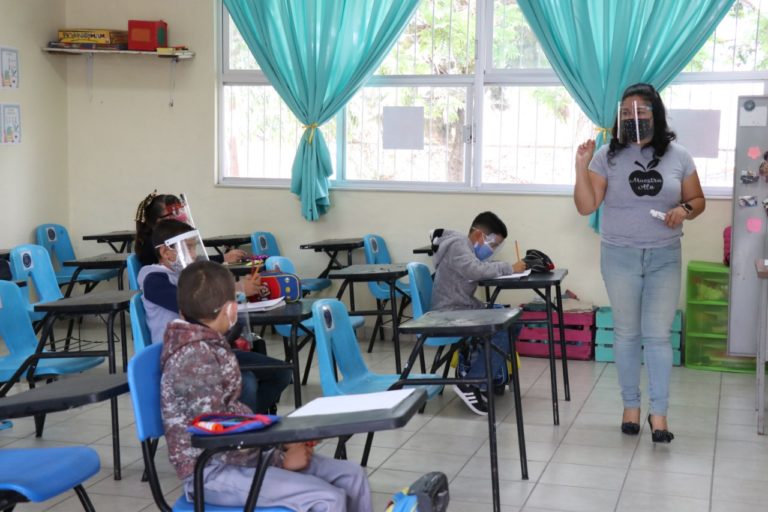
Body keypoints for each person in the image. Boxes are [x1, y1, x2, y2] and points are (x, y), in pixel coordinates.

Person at [162, 260, 372, 510]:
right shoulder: (194, 359)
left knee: (352, 476)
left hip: (241, 455)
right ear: (230, 310)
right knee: (328, 498)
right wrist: (280, 459)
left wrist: (283, 442)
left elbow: (233, 418)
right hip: (211, 472)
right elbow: (215, 439)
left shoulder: (209, 344)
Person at [573, 82, 705, 443]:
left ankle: (658, 414)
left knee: (658, 336)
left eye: (641, 112)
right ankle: (630, 406)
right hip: (619, 256)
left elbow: (697, 199)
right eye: (627, 112)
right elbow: (586, 206)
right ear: (619, 117)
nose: (633, 118)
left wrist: (683, 210)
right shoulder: (607, 156)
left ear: (656, 114)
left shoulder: (679, 155)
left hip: (664, 255)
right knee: (627, 334)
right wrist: (581, 165)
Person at [139, 219, 291, 415]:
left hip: (212, 350)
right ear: (166, 252)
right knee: (248, 382)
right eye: (189, 249)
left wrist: (240, 290)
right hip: (182, 356)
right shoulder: (153, 278)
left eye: (194, 248)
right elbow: (193, 304)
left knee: (282, 372)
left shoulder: (187, 275)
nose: (194, 255)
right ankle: (241, 433)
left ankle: (245, 423)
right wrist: (235, 289)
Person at [430, 211, 526, 416]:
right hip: (448, 314)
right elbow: (475, 270)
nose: (492, 250)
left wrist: (507, 268)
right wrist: (509, 267)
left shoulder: (464, 248)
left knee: (514, 319)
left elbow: (480, 266)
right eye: (493, 244)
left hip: (462, 308)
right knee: (503, 325)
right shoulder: (458, 245)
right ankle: (471, 382)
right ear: (479, 235)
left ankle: (484, 375)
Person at [134, 191, 246, 266]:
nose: (182, 216)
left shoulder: (166, 240)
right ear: (159, 221)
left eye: (180, 210)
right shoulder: (155, 246)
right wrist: (223, 258)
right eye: (174, 213)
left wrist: (223, 258)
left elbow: (192, 260)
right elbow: (186, 264)